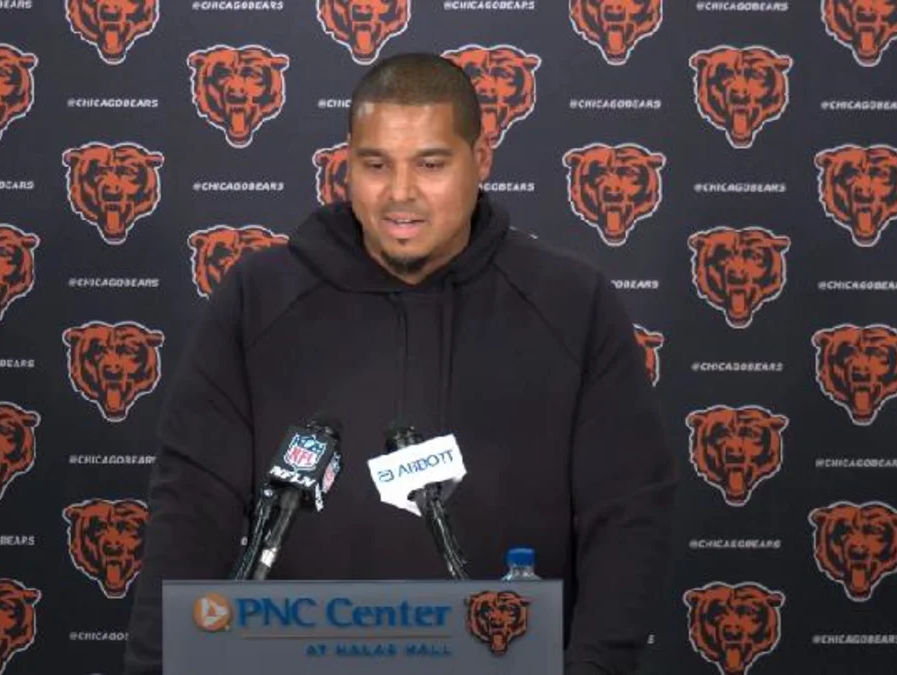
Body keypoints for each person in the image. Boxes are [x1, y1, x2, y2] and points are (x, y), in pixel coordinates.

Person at [122, 52, 676, 675]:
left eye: (431, 164)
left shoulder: (573, 303)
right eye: (376, 164)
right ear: (346, 164)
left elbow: (628, 513)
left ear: (481, 159)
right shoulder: (258, 299)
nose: (401, 194)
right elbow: (192, 507)